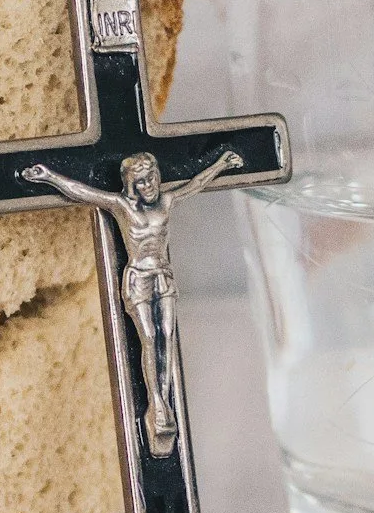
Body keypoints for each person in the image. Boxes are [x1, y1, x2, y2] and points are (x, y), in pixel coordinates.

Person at [19, 148, 244, 455]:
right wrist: (49, 177)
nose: (149, 185)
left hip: (163, 276)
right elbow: (83, 192)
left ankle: (163, 402)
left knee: (167, 337)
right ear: (131, 184)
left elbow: (196, 183)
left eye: (151, 178)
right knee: (149, 338)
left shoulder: (165, 201)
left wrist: (221, 164)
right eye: (141, 181)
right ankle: (157, 404)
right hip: (139, 278)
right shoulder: (122, 206)